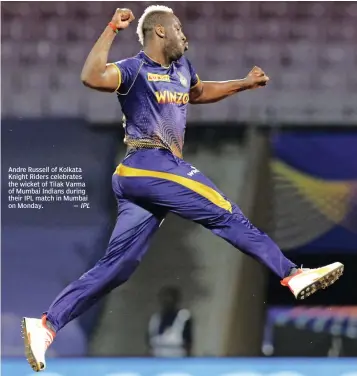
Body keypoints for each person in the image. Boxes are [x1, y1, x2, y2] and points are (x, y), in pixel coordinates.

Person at [22, 5, 344, 372]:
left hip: (147, 179)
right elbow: (91, 76)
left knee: (118, 267)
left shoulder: (182, 69)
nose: (185, 36)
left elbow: (200, 92)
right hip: (148, 162)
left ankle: (47, 324)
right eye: (178, 28)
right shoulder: (134, 69)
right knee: (224, 212)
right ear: (159, 32)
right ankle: (291, 272)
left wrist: (243, 83)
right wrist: (113, 27)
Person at [147, 286, 193, 358]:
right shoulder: (155, 319)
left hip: (177, 360)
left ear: (176, 300)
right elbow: (149, 342)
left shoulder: (183, 317)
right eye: (164, 298)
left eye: (170, 298)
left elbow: (188, 343)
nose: (167, 301)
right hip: (157, 359)